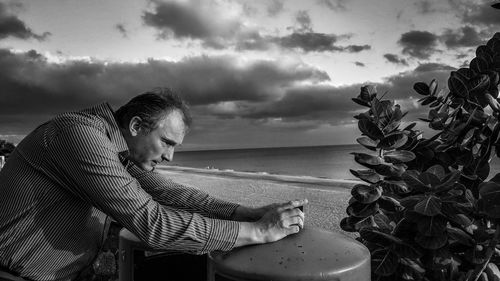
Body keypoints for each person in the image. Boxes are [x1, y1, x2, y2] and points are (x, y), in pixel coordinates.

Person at [0, 88, 307, 281]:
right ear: (135, 126)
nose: (170, 157)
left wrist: (247, 212)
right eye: (166, 142)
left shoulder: (116, 150)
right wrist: (261, 231)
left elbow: (171, 193)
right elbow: (153, 223)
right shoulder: (80, 136)